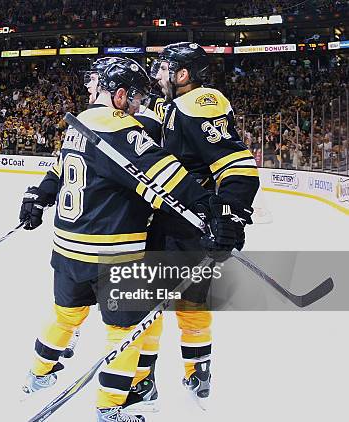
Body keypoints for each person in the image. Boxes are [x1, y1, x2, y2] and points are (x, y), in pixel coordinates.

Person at [19, 58, 218, 421]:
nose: (139, 106)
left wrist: (41, 193)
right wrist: (214, 212)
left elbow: (60, 170)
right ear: (121, 94)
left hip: (66, 250)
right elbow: (170, 177)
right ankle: (111, 407)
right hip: (112, 253)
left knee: (65, 316)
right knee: (126, 332)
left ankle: (38, 374)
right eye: (137, 98)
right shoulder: (120, 129)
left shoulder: (77, 124)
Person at [139, 42, 260, 408]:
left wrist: (231, 217)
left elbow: (238, 168)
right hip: (170, 220)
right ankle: (197, 373)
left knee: (153, 304)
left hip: (188, 226)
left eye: (163, 69)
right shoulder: (169, 104)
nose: (157, 75)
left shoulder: (201, 103)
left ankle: (146, 381)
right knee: (187, 303)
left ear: (183, 75)